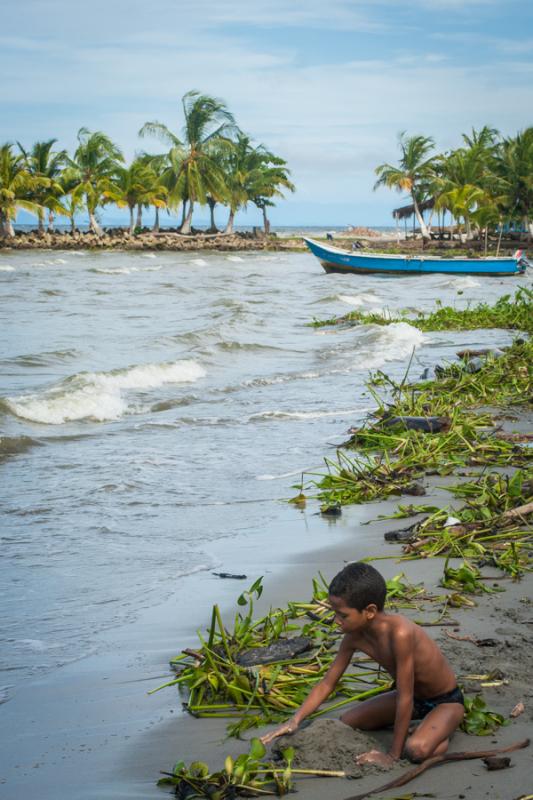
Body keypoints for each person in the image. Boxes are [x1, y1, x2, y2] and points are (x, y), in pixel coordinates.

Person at [260, 562, 464, 766]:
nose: (336, 620)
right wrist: (295, 720)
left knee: (414, 751)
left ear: (370, 611)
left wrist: (392, 756)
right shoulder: (353, 637)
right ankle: (427, 726)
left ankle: (440, 732)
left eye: (343, 615)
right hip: (415, 701)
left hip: (445, 701)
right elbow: (327, 684)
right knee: (349, 721)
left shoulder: (400, 633)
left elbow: (405, 696)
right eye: (334, 612)